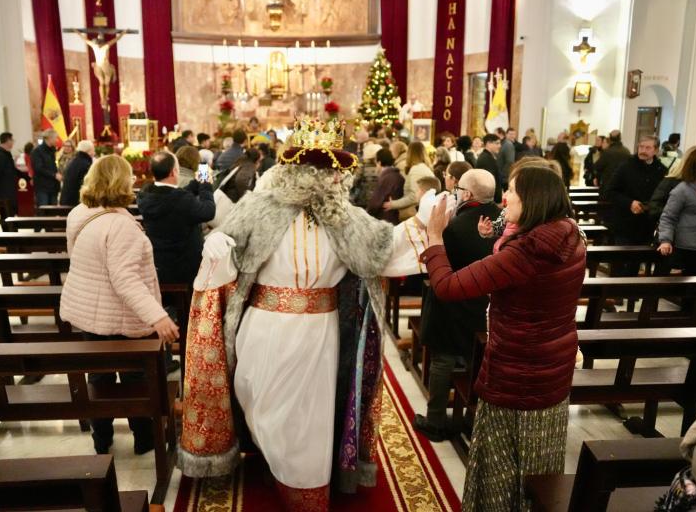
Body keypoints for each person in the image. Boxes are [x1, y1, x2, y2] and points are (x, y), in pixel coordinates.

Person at [177, 117, 431, 510]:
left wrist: (426, 224)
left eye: (333, 170)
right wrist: (218, 243)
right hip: (266, 328)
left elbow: (383, 247)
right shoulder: (261, 207)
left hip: (320, 333)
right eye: (320, 169)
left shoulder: (342, 216)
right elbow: (229, 238)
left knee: (310, 416)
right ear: (298, 171)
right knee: (262, 405)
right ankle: (272, 460)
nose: (329, 178)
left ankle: (307, 488)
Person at [423, 166, 586, 512]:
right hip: (552, 369)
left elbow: (447, 287)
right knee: (539, 467)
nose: (504, 198)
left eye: (512, 191)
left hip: (516, 375)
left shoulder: (527, 252)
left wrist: (434, 240)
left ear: (534, 201)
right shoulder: (569, 235)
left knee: (500, 472)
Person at [60, 154, 179, 455]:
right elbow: (125, 279)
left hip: (88, 313)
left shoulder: (79, 214)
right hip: (120, 316)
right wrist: (158, 317)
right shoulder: (120, 225)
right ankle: (143, 441)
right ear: (121, 181)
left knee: (98, 377)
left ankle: (101, 440)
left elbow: (78, 258)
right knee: (136, 378)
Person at [414, 169, 500, 442]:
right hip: (484, 306)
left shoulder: (454, 227)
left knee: (443, 359)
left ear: (467, 194)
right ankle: (470, 420)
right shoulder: (501, 222)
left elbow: (436, 264)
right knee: (476, 358)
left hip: (452, 302)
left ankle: (436, 419)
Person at [137, 151, 215, 287]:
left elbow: (172, 196)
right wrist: (206, 184)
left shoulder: (146, 193)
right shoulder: (180, 200)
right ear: (174, 172)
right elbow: (208, 211)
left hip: (158, 263)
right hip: (184, 266)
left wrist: (197, 183)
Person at [604, 136, 666, 275]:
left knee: (636, 261)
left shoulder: (661, 170)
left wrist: (651, 207)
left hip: (646, 223)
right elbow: (609, 191)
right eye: (641, 147)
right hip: (624, 221)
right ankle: (615, 293)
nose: (643, 150)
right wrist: (629, 203)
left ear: (655, 150)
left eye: (648, 147)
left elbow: (663, 197)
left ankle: (630, 294)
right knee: (620, 260)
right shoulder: (626, 166)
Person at [657, 146, 696, 275]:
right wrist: (665, 240)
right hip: (689, 247)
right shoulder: (683, 189)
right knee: (690, 290)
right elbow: (668, 217)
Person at [384, 141, 435, 220]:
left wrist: (393, 204)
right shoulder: (423, 167)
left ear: (410, 153)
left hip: (414, 213)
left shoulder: (416, 169)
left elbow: (414, 196)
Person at [367, 148, 405, 224]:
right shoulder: (398, 176)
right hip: (394, 217)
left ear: (379, 163)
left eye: (376, 163)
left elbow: (376, 202)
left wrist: (367, 213)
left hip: (384, 219)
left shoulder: (386, 178)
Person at [59, 140, 95, 206]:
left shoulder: (75, 160)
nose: (94, 153)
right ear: (88, 151)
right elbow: (86, 185)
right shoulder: (85, 164)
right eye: (93, 150)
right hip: (75, 202)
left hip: (67, 200)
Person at [31, 129, 62, 206]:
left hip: (53, 186)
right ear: (49, 138)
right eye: (56, 138)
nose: (57, 140)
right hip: (43, 187)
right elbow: (38, 168)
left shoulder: (52, 150)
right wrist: (54, 175)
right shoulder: (37, 151)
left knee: (53, 212)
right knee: (44, 210)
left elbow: (53, 166)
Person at [475, 133, 503, 204]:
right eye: (497, 143)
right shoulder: (486, 159)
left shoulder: (488, 157)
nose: (499, 146)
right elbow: (490, 182)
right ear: (488, 144)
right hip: (490, 201)